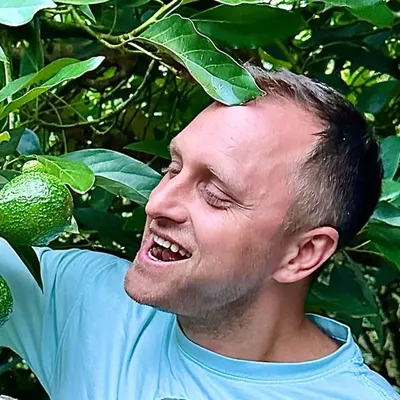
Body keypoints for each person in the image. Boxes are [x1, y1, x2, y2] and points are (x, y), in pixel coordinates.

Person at [0, 66, 398, 400]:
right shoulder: (82, 298)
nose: (157, 202)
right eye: (172, 169)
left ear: (302, 253)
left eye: (215, 195)